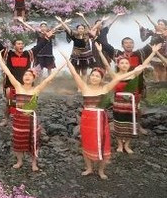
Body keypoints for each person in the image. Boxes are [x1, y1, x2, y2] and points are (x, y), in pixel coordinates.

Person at [62, 50, 156, 180]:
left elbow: (119, 78)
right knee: (86, 142)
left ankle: (101, 171)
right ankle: (89, 168)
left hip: (100, 118)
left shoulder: (105, 89)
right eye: (92, 75)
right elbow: (74, 73)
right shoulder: (84, 87)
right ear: (89, 77)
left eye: (97, 76)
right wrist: (67, 60)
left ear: (101, 79)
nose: (94, 77)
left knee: (103, 142)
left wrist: (138, 69)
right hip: (87, 119)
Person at [0, 52, 65, 171]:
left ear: (33, 78)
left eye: (30, 76)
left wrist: (61, 67)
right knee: (18, 139)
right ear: (22, 77)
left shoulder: (36, 89)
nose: (27, 77)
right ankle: (19, 161)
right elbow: (8, 73)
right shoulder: (17, 86)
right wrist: (0, 60)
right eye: (25, 75)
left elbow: (48, 80)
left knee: (33, 140)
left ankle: (34, 163)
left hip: (31, 119)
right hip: (18, 118)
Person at [96, 42, 161, 154]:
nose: (125, 65)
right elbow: (106, 65)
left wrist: (153, 53)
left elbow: (144, 64)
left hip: (131, 104)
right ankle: (120, 145)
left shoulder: (134, 74)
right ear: (118, 65)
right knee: (118, 124)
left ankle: (127, 145)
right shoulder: (115, 76)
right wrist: (100, 52)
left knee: (131, 124)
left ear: (129, 64)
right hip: (119, 104)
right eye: (122, 63)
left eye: (126, 63)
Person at [0, 27, 44, 127]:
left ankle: (29, 118)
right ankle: (6, 118)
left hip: (25, 84)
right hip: (10, 83)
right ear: (14, 46)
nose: (21, 45)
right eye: (18, 44)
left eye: (22, 44)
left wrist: (46, 38)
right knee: (9, 101)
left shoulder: (28, 54)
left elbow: (39, 47)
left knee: (27, 101)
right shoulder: (8, 54)